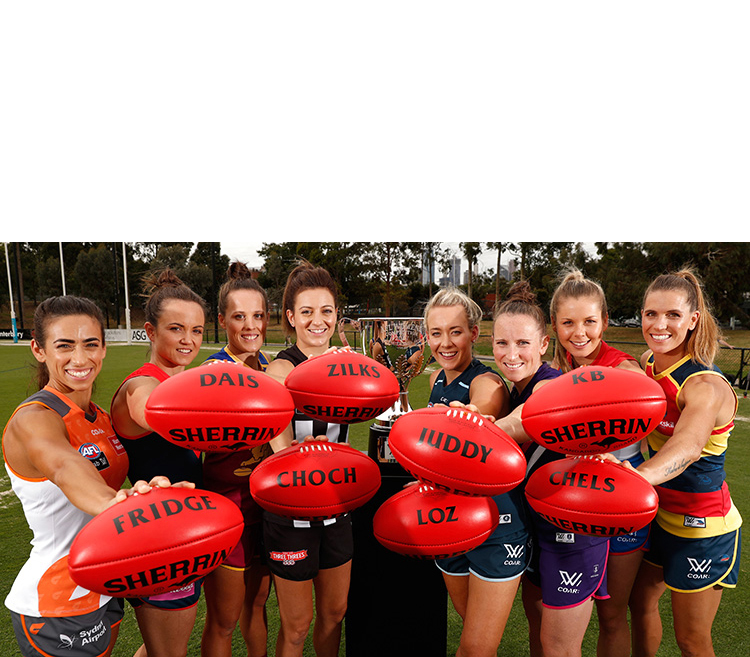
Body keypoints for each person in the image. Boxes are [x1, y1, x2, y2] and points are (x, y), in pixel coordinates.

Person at [3, 295, 187, 657]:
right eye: (65, 346)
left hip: (106, 582)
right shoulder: (34, 419)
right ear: (39, 350)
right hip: (57, 599)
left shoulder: (100, 416)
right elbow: (66, 468)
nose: (80, 358)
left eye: (90, 344)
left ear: (103, 349)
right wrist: (122, 505)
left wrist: (150, 498)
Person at [622, 269, 741, 657]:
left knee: (691, 640)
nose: (659, 325)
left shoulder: (705, 386)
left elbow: (688, 446)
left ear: (692, 321)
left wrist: (635, 479)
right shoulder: (648, 363)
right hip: (658, 515)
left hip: (702, 526)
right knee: (639, 606)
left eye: (673, 315)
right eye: (651, 314)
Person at [549, 268, 648, 657]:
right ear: (554, 324)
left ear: (604, 321)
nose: (579, 332)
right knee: (565, 615)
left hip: (620, 507)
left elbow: (638, 384)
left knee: (611, 616)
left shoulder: (619, 364)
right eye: (568, 322)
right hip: (572, 505)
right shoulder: (559, 370)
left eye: (590, 321)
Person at [110, 270, 208, 657]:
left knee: (160, 649)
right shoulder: (141, 384)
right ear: (151, 332)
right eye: (176, 328)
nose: (188, 340)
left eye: (197, 330)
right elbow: (155, 411)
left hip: (180, 532)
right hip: (155, 538)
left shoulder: (184, 381)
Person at [423, 286, 525, 657]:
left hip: (497, 528)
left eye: (455, 331)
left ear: (473, 333)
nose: (445, 342)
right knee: (474, 638)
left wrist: (472, 414)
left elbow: (483, 407)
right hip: (452, 521)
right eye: (436, 333)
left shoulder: (487, 381)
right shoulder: (437, 379)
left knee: (474, 650)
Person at [262, 261, 351, 657]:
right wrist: (290, 454)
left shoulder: (347, 364)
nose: (318, 321)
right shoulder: (283, 365)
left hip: (338, 506)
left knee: (335, 612)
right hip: (291, 511)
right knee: (296, 627)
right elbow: (277, 399)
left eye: (326, 311)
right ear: (291, 318)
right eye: (308, 311)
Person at [200, 261, 273, 657]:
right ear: (222, 320)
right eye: (239, 316)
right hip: (226, 511)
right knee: (224, 620)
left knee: (257, 604)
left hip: (266, 510)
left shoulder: (270, 368)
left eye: (258, 316)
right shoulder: (213, 372)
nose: (251, 326)